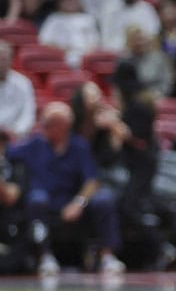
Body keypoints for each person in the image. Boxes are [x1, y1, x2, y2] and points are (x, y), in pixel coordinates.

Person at [11, 102, 125, 277]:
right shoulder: (34, 144)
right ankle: (45, 257)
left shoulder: (79, 146)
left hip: (73, 200)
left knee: (104, 199)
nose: (45, 127)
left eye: (50, 123)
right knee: (36, 200)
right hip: (46, 200)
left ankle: (107, 256)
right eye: (45, 123)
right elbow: (9, 152)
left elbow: (92, 181)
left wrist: (79, 203)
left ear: (64, 126)